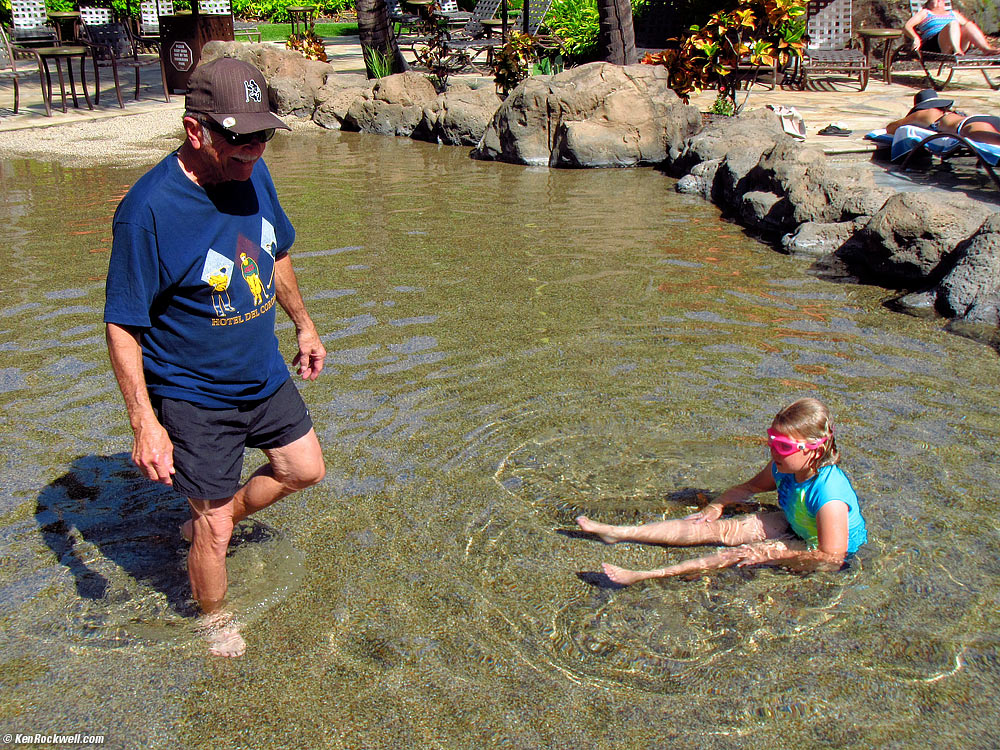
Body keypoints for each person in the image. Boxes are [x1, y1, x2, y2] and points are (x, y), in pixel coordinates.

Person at [104, 57, 327, 657]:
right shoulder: (147, 212)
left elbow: (274, 252)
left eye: (262, 134)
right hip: (193, 391)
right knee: (214, 530)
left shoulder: (254, 173)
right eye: (238, 136)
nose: (253, 149)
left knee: (305, 469)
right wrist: (145, 423)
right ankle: (214, 621)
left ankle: (210, 517)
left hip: (261, 372)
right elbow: (122, 325)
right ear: (194, 129)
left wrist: (304, 325)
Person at [575, 398, 867, 586]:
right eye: (771, 440)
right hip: (796, 525)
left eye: (783, 446)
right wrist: (716, 505)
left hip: (826, 551)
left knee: (742, 553)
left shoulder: (829, 495)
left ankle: (645, 576)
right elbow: (749, 488)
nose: (772, 450)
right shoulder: (783, 466)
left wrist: (771, 556)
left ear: (814, 450)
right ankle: (619, 532)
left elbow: (832, 557)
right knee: (709, 528)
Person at [885, 88, 1000, 147]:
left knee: (972, 133)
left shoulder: (926, 113)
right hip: (985, 119)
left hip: (969, 126)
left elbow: (892, 128)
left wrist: (911, 120)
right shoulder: (950, 113)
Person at [903, 0, 1000, 57]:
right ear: (928, 3)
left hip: (955, 42)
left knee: (969, 24)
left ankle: (986, 49)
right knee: (953, 24)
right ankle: (956, 50)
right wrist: (915, 38)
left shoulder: (953, 13)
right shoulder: (925, 12)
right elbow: (907, 26)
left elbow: (968, 28)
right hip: (934, 44)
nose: (939, 1)